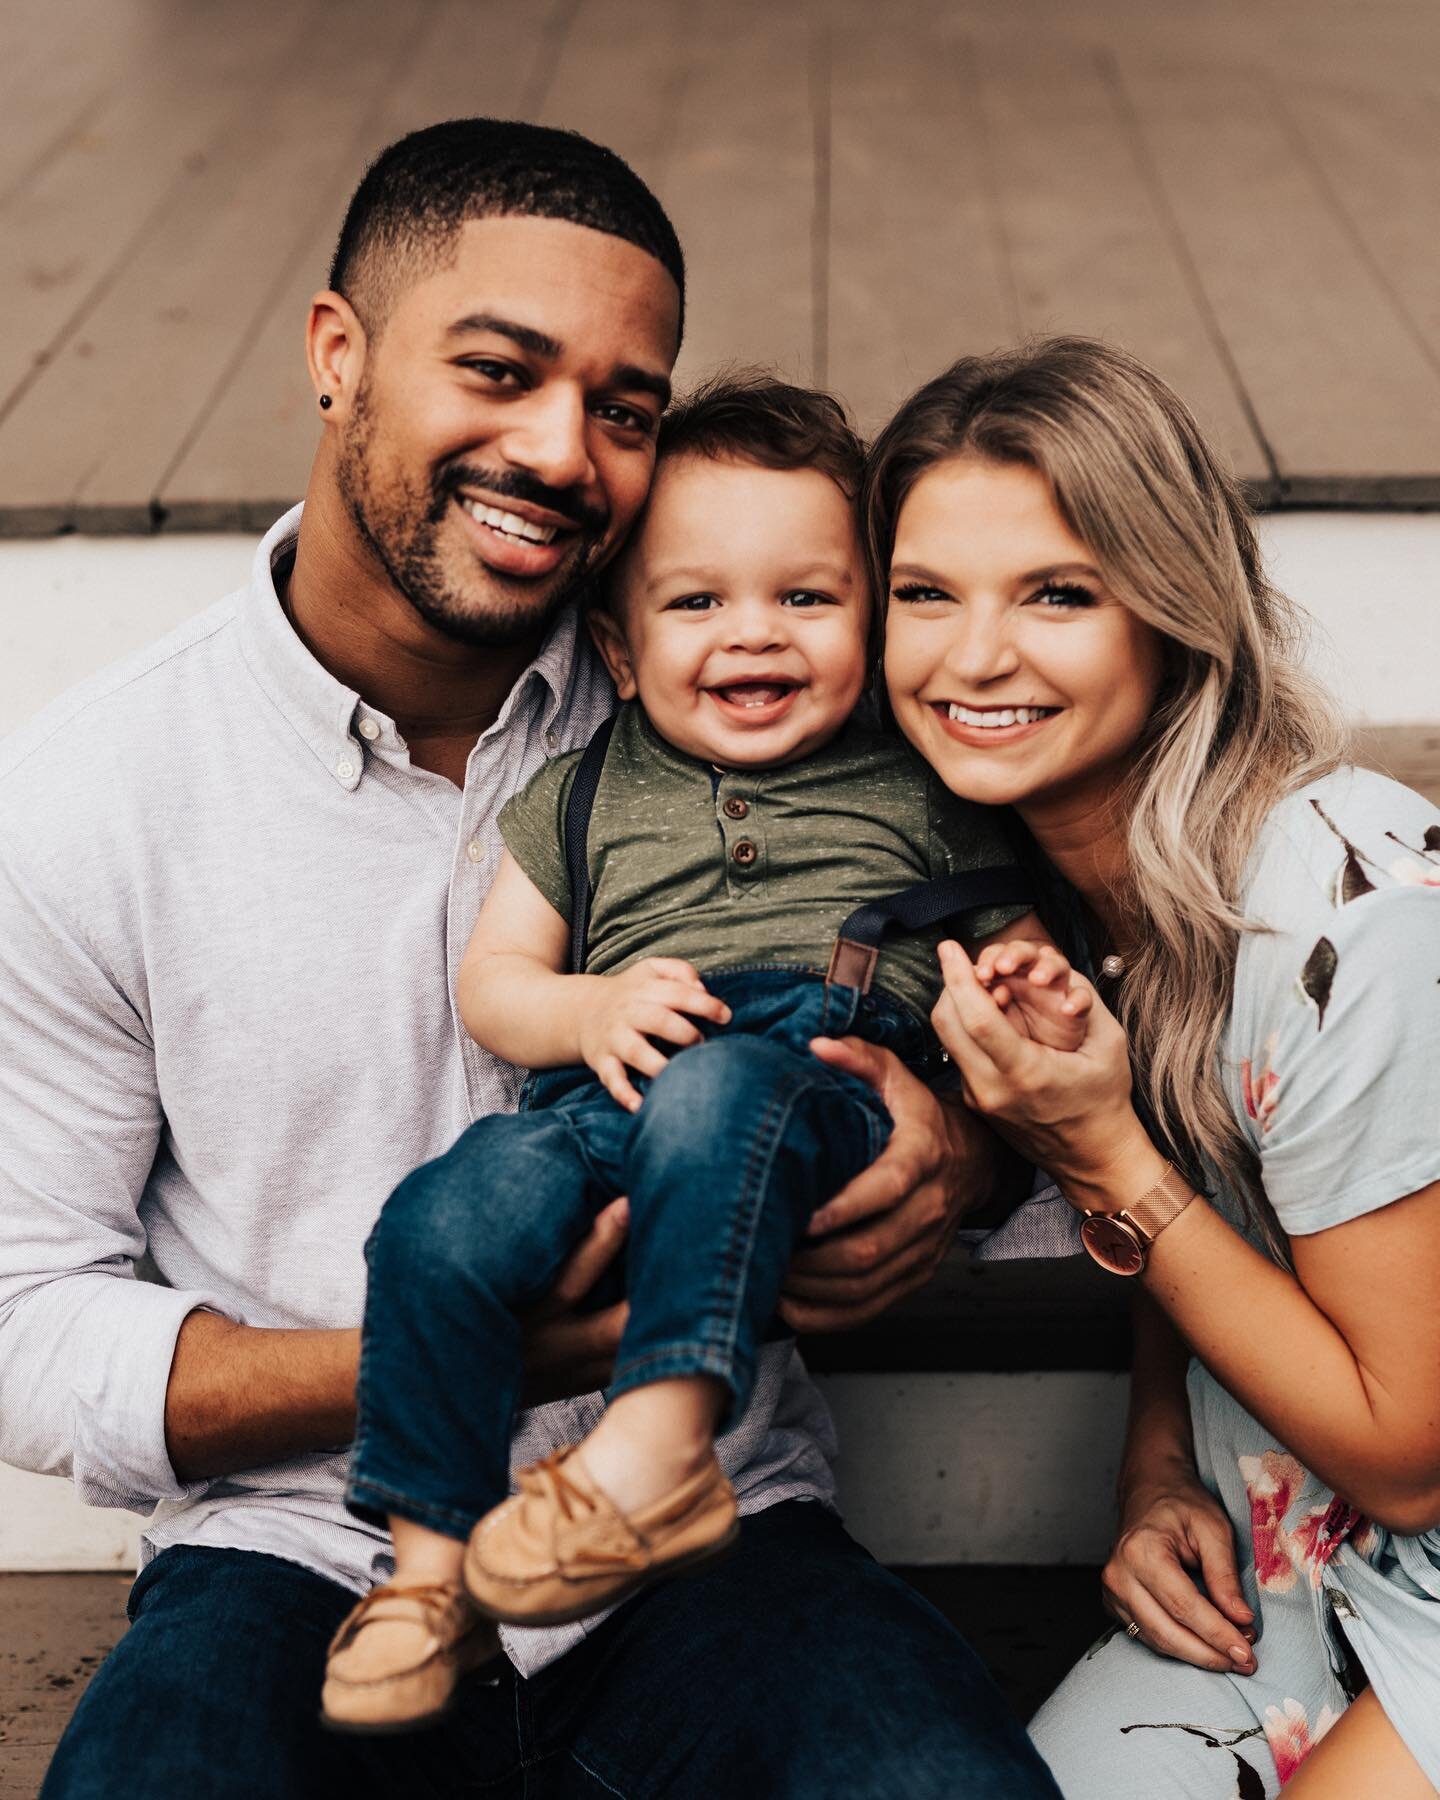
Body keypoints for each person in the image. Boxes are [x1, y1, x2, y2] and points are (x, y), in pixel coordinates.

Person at [1, 120, 1062, 1798]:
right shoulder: (91, 802)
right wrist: (469, 1349)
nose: (563, 452)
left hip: (713, 1534)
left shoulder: (732, 668)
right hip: (301, 1557)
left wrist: (964, 1154)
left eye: (624, 408)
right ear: (336, 356)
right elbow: (30, 1324)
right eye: (497, 370)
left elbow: (1011, 979)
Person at [321, 373, 1088, 1732]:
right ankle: (425, 1573)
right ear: (617, 650)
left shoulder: (917, 786)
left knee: (727, 1086)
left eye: (806, 597)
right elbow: (496, 982)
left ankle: (661, 1447)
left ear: (869, 616)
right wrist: (588, 1011)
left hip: (813, 1080)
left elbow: (1017, 952)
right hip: (600, 1094)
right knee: (444, 1213)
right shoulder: (584, 789)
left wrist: (1033, 990)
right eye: (697, 602)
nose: (755, 636)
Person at [860, 335, 1440, 1798]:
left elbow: (1409, 1454)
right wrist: (1158, 1464)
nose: (973, 657)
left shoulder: (1341, 906)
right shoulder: (1058, 899)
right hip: (1302, 1564)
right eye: (925, 594)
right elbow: (1239, 1217)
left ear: (1172, 615)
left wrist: (1101, 1152)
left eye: (1057, 593)